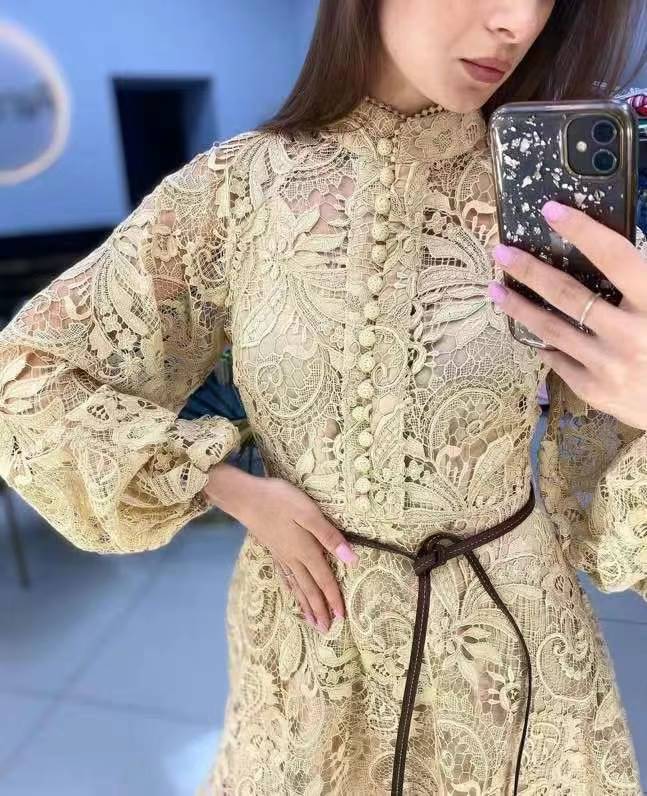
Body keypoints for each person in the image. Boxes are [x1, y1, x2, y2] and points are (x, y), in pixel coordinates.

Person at [1, 0, 647, 793]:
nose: (516, 21)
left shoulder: (553, 212)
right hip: (309, 636)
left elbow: (609, 520)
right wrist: (222, 484)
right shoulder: (237, 191)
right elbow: (26, 376)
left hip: (509, 651)